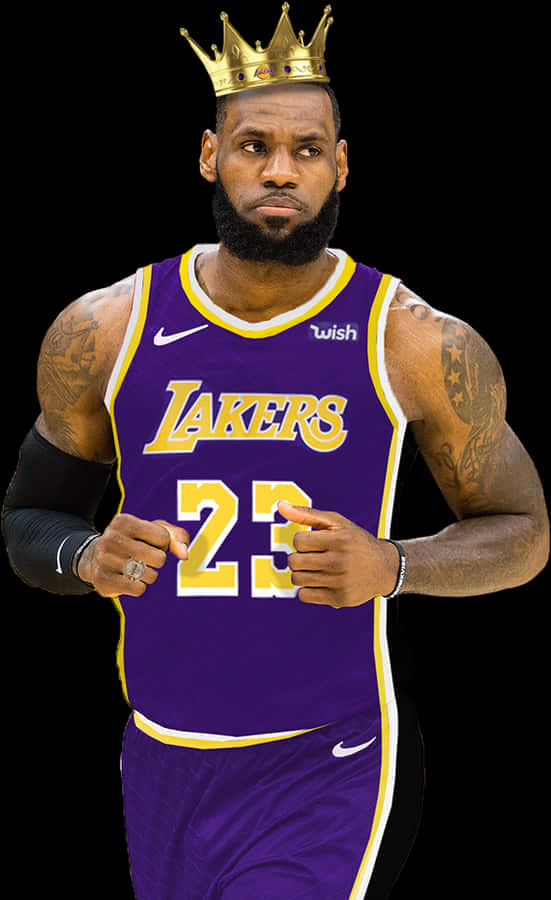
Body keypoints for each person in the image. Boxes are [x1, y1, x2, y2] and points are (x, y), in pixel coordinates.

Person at [3, 4, 548, 898]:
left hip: (329, 760)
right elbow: (30, 519)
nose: (280, 170)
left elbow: (522, 532)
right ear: (209, 155)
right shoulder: (105, 328)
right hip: (162, 755)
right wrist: (88, 555)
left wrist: (396, 565)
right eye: (253, 145)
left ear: (341, 167)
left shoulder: (413, 340)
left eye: (307, 149)